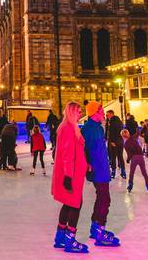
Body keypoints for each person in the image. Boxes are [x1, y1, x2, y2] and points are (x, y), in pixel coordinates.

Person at [51, 101, 89, 253]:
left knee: (69, 203)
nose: (81, 114)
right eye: (78, 111)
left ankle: (60, 237)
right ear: (72, 112)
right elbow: (67, 154)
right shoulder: (67, 128)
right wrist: (68, 176)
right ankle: (70, 240)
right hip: (71, 174)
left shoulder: (71, 127)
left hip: (75, 172)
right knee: (75, 204)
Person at [81, 101, 120, 247]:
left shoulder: (96, 127)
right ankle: (99, 230)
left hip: (101, 167)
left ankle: (95, 227)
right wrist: (89, 164)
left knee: (102, 198)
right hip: (98, 169)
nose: (103, 113)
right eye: (101, 111)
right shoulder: (91, 129)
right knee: (105, 199)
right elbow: (87, 149)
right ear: (94, 113)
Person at [123, 129, 148, 194]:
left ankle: (130, 185)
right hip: (141, 157)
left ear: (123, 136)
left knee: (132, 172)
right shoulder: (133, 137)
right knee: (144, 172)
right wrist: (137, 130)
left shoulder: (125, 145)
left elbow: (129, 154)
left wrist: (128, 160)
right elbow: (138, 133)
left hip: (134, 158)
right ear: (128, 134)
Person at [105, 110, 126, 179]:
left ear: (111, 114)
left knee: (113, 157)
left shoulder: (112, 121)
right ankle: (123, 172)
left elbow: (112, 132)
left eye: (107, 115)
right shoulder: (119, 121)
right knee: (120, 157)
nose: (107, 116)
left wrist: (112, 141)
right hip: (120, 142)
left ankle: (113, 172)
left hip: (114, 142)